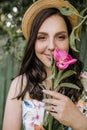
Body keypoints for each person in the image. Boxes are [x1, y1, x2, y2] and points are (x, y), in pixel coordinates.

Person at [2, 0, 87, 130]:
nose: (52, 46)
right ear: (33, 42)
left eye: (60, 37)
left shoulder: (85, 82)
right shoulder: (20, 85)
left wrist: (79, 122)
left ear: (70, 41)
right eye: (42, 37)